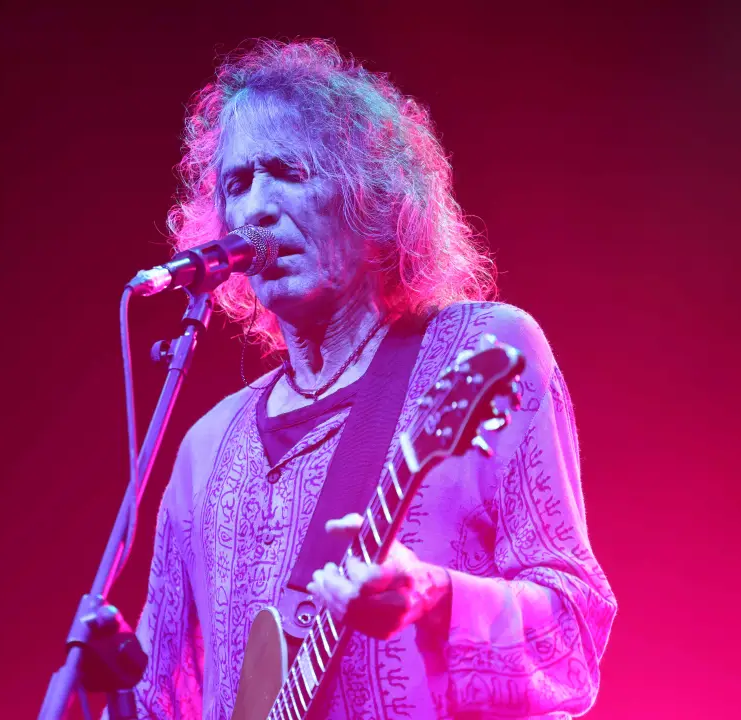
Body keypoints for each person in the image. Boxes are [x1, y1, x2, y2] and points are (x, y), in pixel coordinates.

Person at [128, 39, 616, 719]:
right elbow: (157, 698)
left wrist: (440, 598)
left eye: (287, 171)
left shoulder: (481, 352)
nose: (257, 208)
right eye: (237, 184)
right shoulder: (204, 450)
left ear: (372, 195)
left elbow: (572, 637)